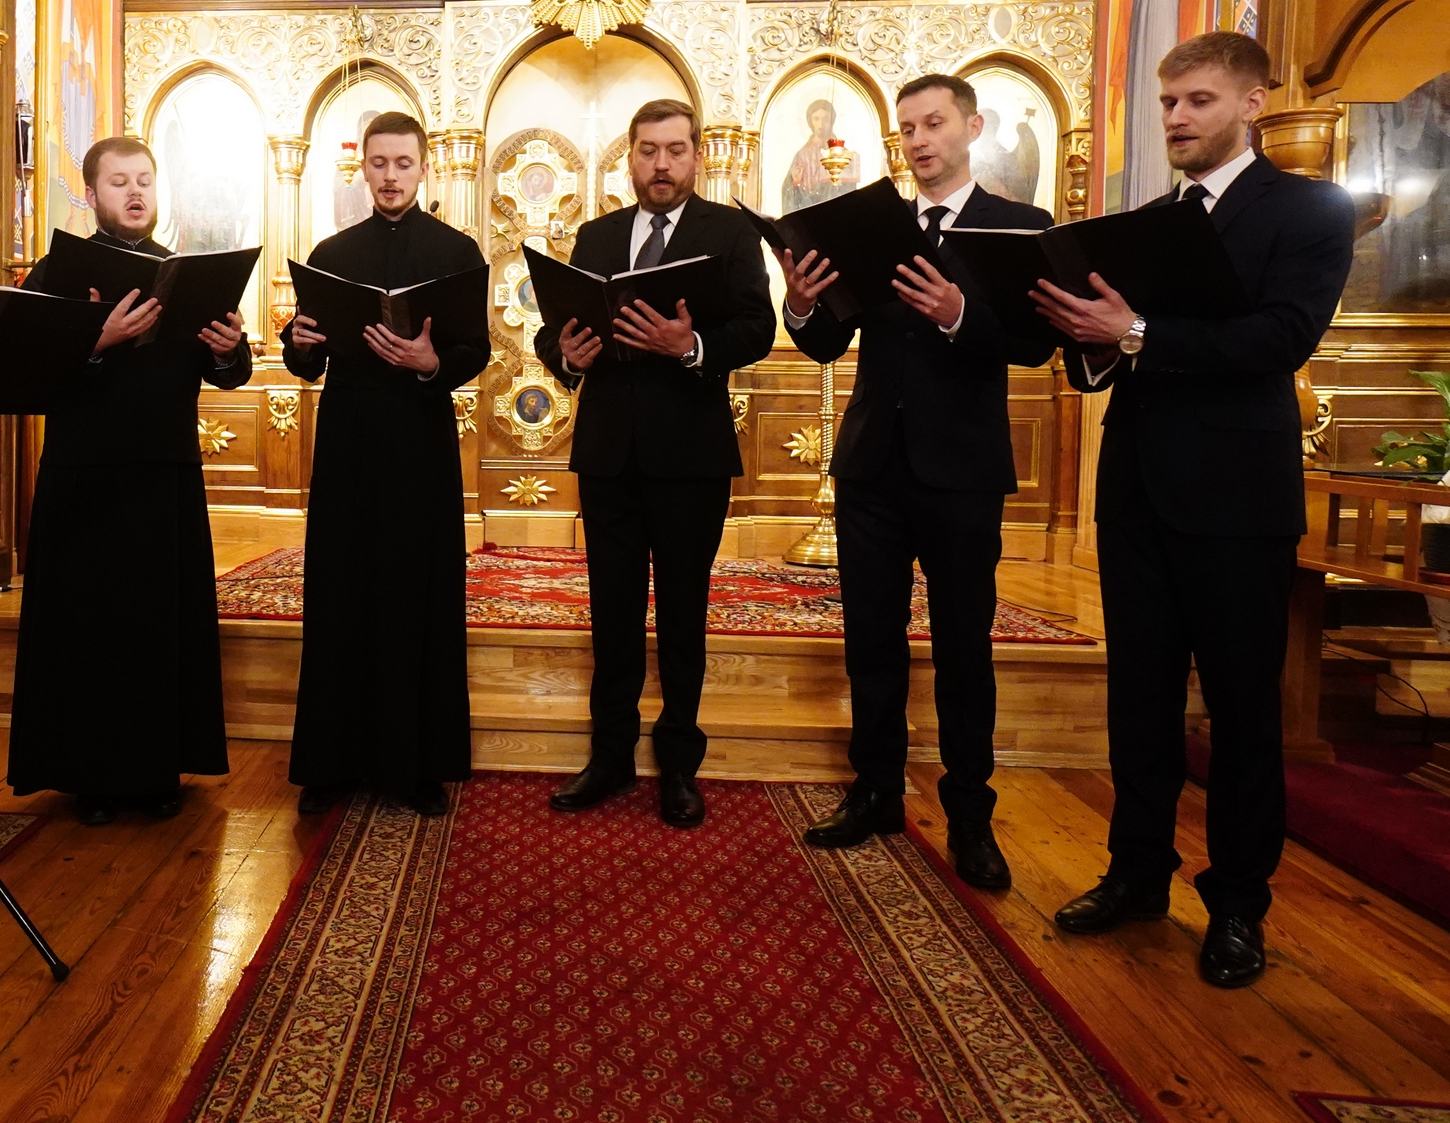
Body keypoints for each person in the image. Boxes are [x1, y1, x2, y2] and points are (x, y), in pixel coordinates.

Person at [1031, 32, 1353, 988]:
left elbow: (1282, 338)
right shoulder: (1149, 221)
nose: (1176, 118)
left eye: (1199, 101)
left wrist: (1131, 330)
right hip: (1137, 491)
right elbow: (1110, 356)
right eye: (1169, 102)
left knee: (1244, 711)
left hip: (1236, 502)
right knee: (1138, 704)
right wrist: (1084, 335)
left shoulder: (1306, 209)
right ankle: (1136, 875)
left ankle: (1240, 906)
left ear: (1253, 102)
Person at [777, 73, 1055, 887]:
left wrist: (959, 315)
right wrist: (802, 305)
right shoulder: (878, 226)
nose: (921, 140)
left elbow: (1033, 345)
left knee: (965, 645)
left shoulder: (1017, 225)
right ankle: (875, 792)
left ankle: (971, 815)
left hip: (962, 471)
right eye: (908, 128)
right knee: (871, 640)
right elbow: (829, 343)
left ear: (972, 127)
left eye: (935, 124)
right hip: (871, 465)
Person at [535, 99, 776, 828]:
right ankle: (609, 757)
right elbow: (559, 331)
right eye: (647, 151)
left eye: (675, 150)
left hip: (690, 456)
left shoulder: (728, 231)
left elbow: (757, 326)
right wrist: (563, 356)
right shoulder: (598, 234)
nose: (661, 164)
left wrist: (691, 345)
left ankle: (678, 763)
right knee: (611, 614)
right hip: (608, 452)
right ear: (629, 158)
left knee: (682, 613)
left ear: (696, 155)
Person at [8, 137, 250, 824]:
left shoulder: (183, 272)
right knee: (91, 626)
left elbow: (233, 370)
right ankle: (91, 774)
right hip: (85, 473)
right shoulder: (60, 269)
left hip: (164, 470)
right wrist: (94, 342)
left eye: (144, 180)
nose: (136, 192)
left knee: (157, 625)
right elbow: (22, 362)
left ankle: (156, 768)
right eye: (119, 182)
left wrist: (232, 350)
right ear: (92, 194)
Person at [284, 111, 487, 819]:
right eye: (379, 163)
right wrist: (301, 339)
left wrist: (434, 361)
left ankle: (417, 763)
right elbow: (304, 357)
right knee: (340, 592)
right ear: (363, 168)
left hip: (419, 441)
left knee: (416, 594)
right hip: (348, 440)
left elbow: (475, 349)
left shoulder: (457, 250)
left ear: (424, 166)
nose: (391, 176)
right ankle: (329, 761)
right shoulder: (332, 251)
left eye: (403, 163)